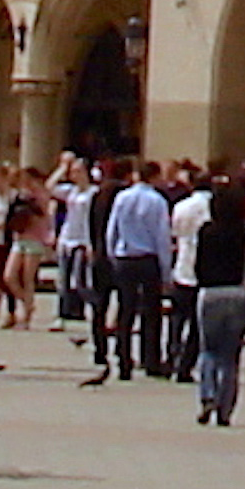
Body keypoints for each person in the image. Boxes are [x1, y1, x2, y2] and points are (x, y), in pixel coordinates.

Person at [182, 154, 245, 428]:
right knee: (230, 355)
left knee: (208, 351)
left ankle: (206, 397)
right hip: (236, 292)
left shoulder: (206, 230)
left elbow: (196, 261)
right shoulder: (244, 231)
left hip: (209, 292)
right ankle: (225, 407)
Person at [94, 162, 175, 385]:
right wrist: (166, 269)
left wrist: (112, 253)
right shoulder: (158, 201)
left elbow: (113, 228)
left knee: (125, 310)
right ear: (154, 177)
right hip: (148, 259)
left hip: (124, 257)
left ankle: (123, 360)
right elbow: (162, 237)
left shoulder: (122, 198)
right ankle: (151, 359)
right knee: (152, 312)